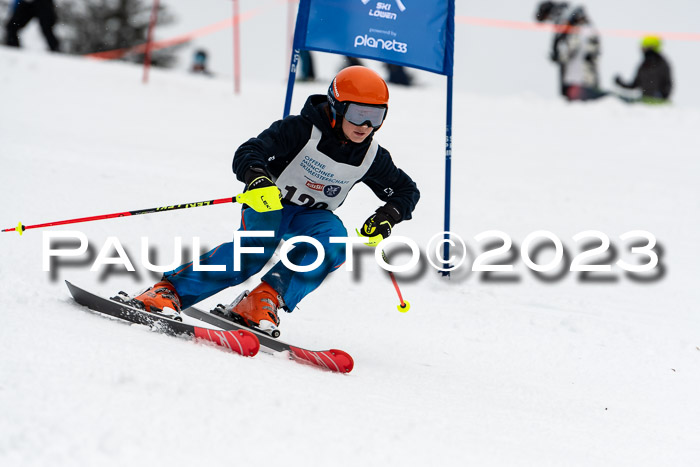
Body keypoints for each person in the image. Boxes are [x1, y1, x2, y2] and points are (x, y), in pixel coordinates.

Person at [129, 66, 420, 335]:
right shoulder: (300, 130)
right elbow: (249, 151)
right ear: (337, 107)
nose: (366, 126)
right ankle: (168, 292)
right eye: (358, 114)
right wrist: (258, 178)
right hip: (270, 203)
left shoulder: (371, 156)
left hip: (311, 217)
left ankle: (261, 300)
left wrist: (388, 216)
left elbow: (406, 191)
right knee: (255, 250)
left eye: (377, 116)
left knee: (333, 240)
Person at [554, 6, 606, 101]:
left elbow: (564, 55)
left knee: (578, 108)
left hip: (578, 80)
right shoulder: (591, 32)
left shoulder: (578, 33)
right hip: (585, 81)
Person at [614, 36, 672, 104]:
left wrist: (662, 96)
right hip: (645, 101)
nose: (642, 50)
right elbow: (635, 84)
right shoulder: (643, 65)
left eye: (644, 48)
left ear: (651, 48)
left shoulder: (661, 64)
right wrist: (621, 83)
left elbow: (667, 85)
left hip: (658, 103)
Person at [535, 1, 573, 97]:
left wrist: (556, 52)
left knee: (567, 86)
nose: (548, 20)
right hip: (572, 53)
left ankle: (568, 95)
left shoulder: (561, 14)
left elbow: (560, 36)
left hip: (572, 55)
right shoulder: (563, 13)